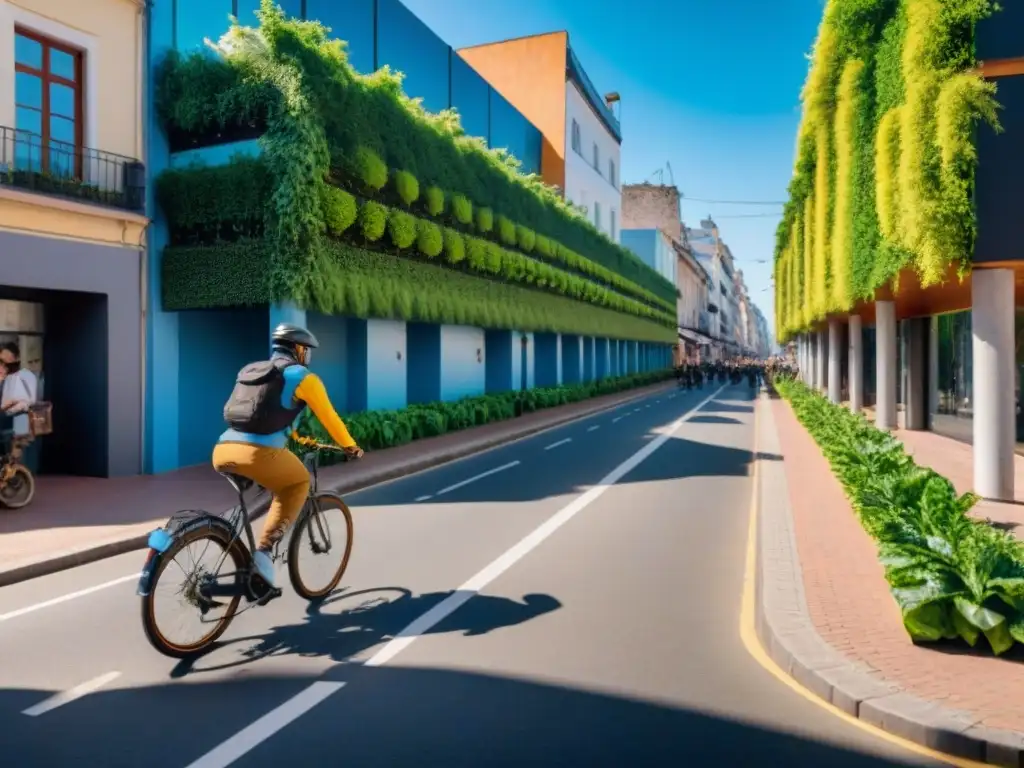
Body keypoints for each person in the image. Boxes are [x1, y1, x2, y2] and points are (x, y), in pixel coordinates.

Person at [213, 323, 364, 588]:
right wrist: (350, 446)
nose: (308, 357)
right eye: (307, 351)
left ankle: (230, 549)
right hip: (259, 455)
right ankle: (264, 552)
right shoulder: (303, 377)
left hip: (223, 449)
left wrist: (302, 440)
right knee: (297, 483)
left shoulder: (252, 371)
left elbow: (272, 417)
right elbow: (330, 418)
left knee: (263, 489)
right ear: (298, 349)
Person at [1, 342, 39, 469]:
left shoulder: (25, 375)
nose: (4, 363)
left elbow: (29, 400)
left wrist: (15, 403)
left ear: (16, 358)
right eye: (2, 360)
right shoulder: (6, 377)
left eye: (7, 359)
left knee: (17, 454)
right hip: (6, 417)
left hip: (20, 417)